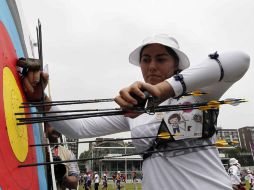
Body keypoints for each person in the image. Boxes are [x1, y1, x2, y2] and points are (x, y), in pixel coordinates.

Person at [19, 34, 250, 189]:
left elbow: (240, 59)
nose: (151, 66)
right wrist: (40, 98)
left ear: (176, 66)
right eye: (146, 59)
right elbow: (79, 128)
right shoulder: (136, 108)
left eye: (161, 59)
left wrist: (162, 90)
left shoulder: (198, 95)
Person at [46, 122, 80, 190]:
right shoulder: (34, 150)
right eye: (53, 124)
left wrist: (61, 175)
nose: (57, 128)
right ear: (44, 125)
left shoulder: (68, 153)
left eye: (59, 126)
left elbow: (74, 183)